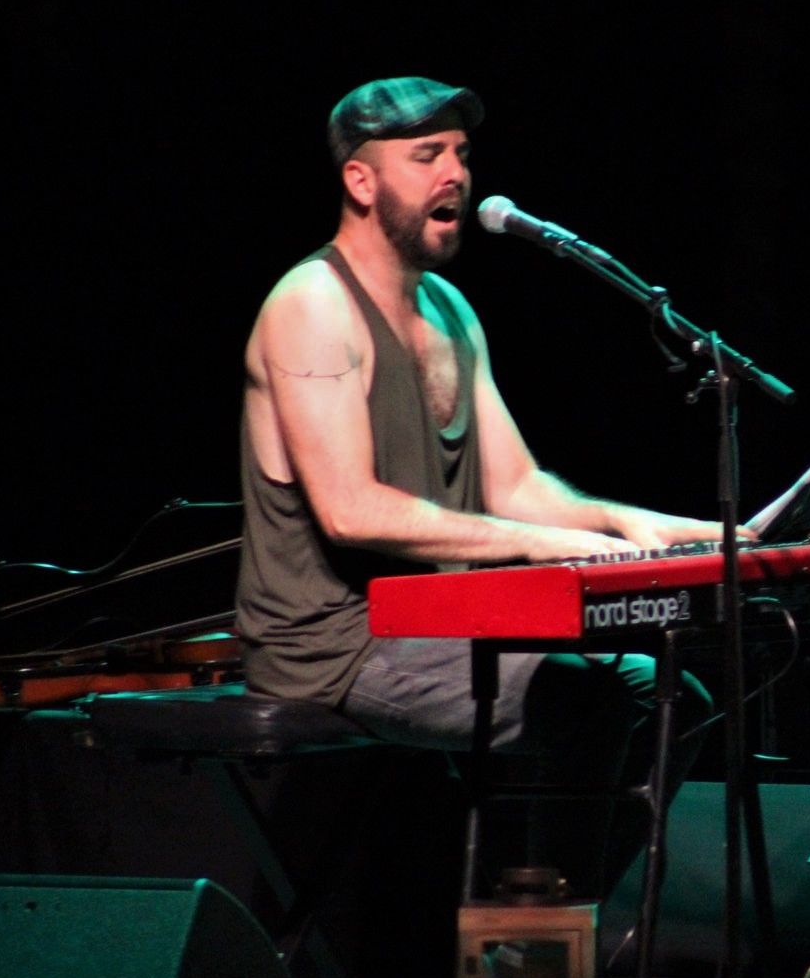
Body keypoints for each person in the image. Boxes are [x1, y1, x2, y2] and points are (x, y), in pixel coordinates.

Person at [234, 76, 721, 898]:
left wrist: (700, 531)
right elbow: (351, 511)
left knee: (675, 696)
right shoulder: (311, 304)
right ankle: (526, 977)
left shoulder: (451, 310)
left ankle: (543, 962)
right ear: (361, 180)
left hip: (436, 627)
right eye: (426, 155)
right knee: (610, 700)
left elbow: (522, 488)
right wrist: (560, 548)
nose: (455, 173)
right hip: (336, 648)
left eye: (460, 153)